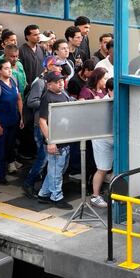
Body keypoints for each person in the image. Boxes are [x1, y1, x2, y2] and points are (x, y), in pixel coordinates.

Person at [23, 55, 66, 198]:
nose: (60, 68)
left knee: (49, 158)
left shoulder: (58, 83)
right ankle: (29, 183)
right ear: (48, 66)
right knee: (44, 157)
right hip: (41, 124)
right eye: (57, 65)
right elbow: (31, 101)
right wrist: (48, 104)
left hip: (53, 125)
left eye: (61, 66)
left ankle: (45, 188)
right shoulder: (41, 83)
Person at [37, 71, 73, 210]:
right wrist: (50, 141)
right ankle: (56, 197)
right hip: (55, 141)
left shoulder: (63, 93)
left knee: (57, 169)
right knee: (56, 171)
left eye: (61, 81)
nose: (60, 84)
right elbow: (42, 121)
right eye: (57, 82)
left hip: (64, 138)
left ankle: (44, 193)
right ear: (49, 84)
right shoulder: (47, 98)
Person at [79, 67, 112, 209]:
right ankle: (95, 195)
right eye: (104, 78)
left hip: (111, 137)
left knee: (107, 167)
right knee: (101, 167)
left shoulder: (105, 95)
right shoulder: (96, 97)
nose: (105, 81)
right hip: (99, 137)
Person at [0, 60, 23, 185]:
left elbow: (19, 99)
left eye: (10, 68)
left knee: (10, 147)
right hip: (1, 123)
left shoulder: (13, 81)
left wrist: (21, 117)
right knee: (0, 149)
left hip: (13, 121)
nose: (9, 70)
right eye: (6, 68)